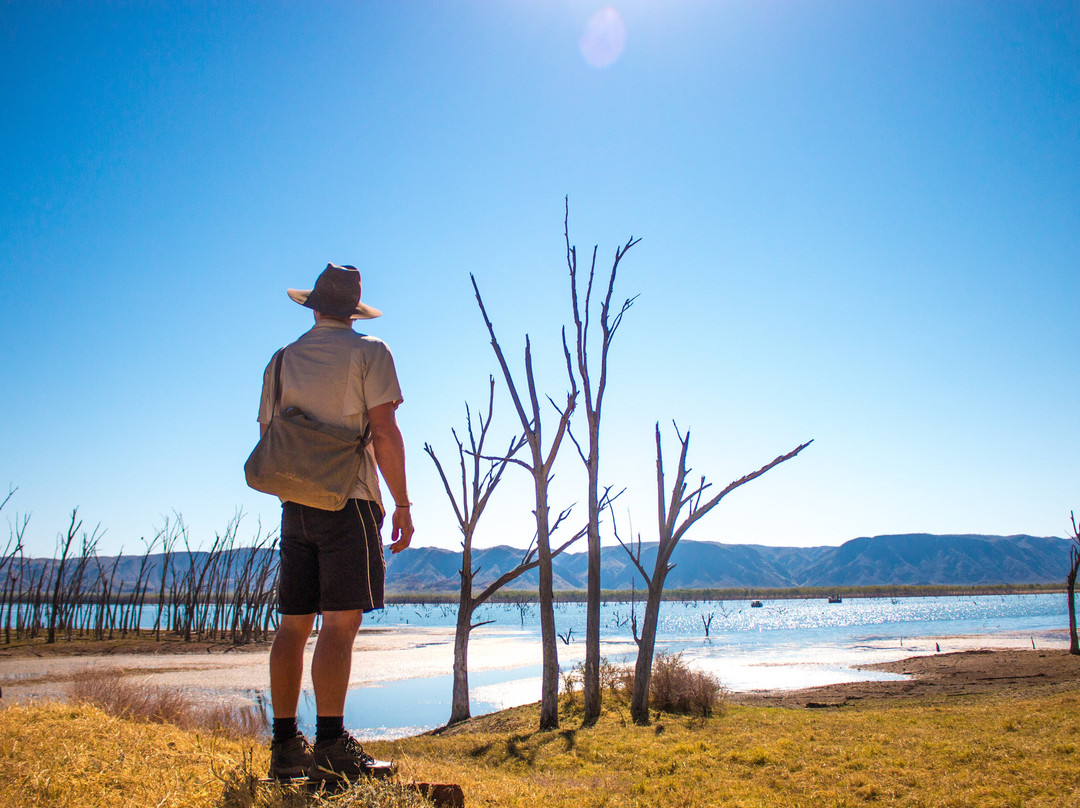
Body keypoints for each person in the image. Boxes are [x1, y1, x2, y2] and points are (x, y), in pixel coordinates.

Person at [257, 263, 414, 782]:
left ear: (314, 305)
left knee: (294, 624)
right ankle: (330, 745)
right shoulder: (371, 352)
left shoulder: (281, 361)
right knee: (342, 623)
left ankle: (284, 747)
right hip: (348, 499)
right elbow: (386, 432)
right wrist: (404, 505)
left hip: (294, 504)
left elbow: (269, 432)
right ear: (353, 310)